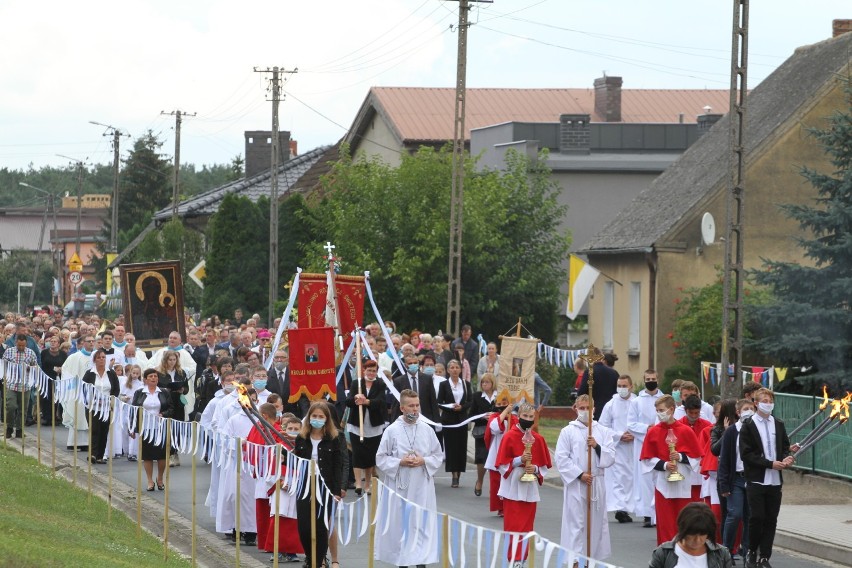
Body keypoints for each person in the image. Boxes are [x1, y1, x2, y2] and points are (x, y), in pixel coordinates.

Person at [375, 389, 444, 568]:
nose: (415, 410)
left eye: (417, 405)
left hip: (422, 486)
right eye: (411, 406)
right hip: (401, 486)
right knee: (402, 525)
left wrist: (423, 460)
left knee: (421, 524)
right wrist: (399, 462)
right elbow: (380, 458)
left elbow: (438, 455)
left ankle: (421, 562)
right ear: (402, 408)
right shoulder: (392, 431)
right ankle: (402, 562)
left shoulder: (427, 430)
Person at [555, 394, 616, 563]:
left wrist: (597, 446)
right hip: (577, 484)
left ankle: (591, 561)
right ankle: (575, 562)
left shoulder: (603, 431)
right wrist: (580, 474)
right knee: (576, 525)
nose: (585, 411)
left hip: (596, 482)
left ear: (594, 409)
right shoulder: (568, 431)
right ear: (575, 408)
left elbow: (611, 456)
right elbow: (561, 458)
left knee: (595, 526)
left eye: (588, 408)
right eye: (581, 408)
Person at [738, 388, 794, 568]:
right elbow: (746, 454)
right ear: (755, 402)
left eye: (770, 400)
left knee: (771, 519)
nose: (768, 403)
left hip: (775, 481)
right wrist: (769, 464)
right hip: (757, 479)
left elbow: (785, 447)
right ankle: (751, 551)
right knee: (757, 517)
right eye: (764, 400)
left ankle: (765, 557)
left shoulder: (778, 423)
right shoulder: (748, 425)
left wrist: (787, 457)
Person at [640, 394, 703, 545]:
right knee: (666, 524)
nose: (659, 413)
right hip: (663, 485)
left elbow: (697, 458)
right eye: (657, 410)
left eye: (661, 410)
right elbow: (646, 459)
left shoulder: (686, 431)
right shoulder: (653, 432)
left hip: (683, 485)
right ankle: (666, 555)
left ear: (672, 409)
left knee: (684, 522)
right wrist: (664, 465)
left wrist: (680, 457)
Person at [496, 401, 551, 566]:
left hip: (529, 486)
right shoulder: (509, 436)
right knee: (513, 525)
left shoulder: (538, 439)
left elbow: (544, 467)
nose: (528, 419)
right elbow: (501, 464)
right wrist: (519, 460)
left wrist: (534, 468)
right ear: (518, 416)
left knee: (527, 525)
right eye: (525, 416)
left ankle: (522, 559)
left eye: (531, 417)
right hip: (513, 486)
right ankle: (513, 559)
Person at [294, 401, 342, 568]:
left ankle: (319, 561)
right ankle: (311, 557)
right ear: (309, 417)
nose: (317, 419)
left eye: (321, 417)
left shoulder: (334, 439)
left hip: (325, 486)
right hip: (304, 485)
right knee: (304, 527)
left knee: (322, 527)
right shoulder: (301, 438)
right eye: (314, 416)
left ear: (327, 419)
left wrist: (337, 491)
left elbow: (338, 465)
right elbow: (296, 461)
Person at [718, 399, 754, 564]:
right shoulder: (732, 431)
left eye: (751, 409)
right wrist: (724, 484)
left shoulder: (756, 430)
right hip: (736, 479)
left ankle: (748, 552)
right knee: (735, 513)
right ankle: (726, 550)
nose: (749, 411)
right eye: (745, 409)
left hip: (752, 479)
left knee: (750, 517)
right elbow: (724, 459)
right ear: (738, 413)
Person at [627, 369, 665, 527]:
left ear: (658, 379)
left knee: (659, 477)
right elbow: (630, 424)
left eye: (653, 378)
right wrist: (647, 428)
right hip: (642, 444)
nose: (651, 381)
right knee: (644, 479)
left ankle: (659, 511)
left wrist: (657, 429)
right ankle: (647, 515)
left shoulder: (664, 399)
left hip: (660, 443)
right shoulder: (636, 401)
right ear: (644, 380)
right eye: (648, 379)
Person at [345, 359, 387, 496]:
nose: (371, 373)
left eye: (374, 371)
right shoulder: (357, 383)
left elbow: (381, 402)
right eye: (369, 370)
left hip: (373, 426)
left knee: (370, 455)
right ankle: (358, 483)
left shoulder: (380, 383)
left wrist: (367, 401)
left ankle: (368, 484)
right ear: (364, 370)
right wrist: (356, 398)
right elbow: (348, 402)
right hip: (357, 425)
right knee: (357, 453)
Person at [599, 374, 636, 523]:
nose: (621, 389)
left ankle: (637, 507)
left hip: (635, 446)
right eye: (619, 386)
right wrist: (619, 436)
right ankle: (621, 509)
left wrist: (634, 434)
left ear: (631, 387)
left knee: (634, 478)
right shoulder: (611, 404)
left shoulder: (637, 402)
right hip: (619, 447)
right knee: (620, 478)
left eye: (624, 386)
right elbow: (603, 426)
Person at [649, 502, 734, 568]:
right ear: (683, 529)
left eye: (702, 535)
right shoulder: (663, 553)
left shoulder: (721, 554)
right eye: (692, 534)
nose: (697, 540)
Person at [130, 368, 173, 491]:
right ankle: (149, 480)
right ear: (145, 379)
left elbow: (171, 409)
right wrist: (132, 427)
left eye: (155, 376)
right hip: (145, 427)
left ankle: (160, 478)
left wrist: (163, 414)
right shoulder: (139, 393)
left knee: (161, 456)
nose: (153, 378)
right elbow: (134, 410)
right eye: (150, 376)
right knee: (147, 455)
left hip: (160, 427)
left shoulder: (164, 392)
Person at [437, 359, 472, 487]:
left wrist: (462, 407)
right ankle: (454, 475)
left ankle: (460, 471)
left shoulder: (466, 384)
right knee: (451, 447)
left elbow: (470, 401)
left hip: (462, 419)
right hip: (449, 419)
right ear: (448, 370)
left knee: (461, 446)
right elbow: (439, 402)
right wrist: (451, 406)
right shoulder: (444, 385)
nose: (455, 370)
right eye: (452, 367)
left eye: (457, 367)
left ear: (460, 369)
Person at [81, 349, 120, 463]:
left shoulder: (111, 373)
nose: (102, 359)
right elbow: (84, 389)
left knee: (104, 430)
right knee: (94, 429)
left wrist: (110, 400)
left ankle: (100, 456)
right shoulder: (89, 373)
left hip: (107, 407)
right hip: (92, 406)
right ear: (94, 360)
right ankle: (92, 454)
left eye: (103, 357)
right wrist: (93, 399)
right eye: (99, 357)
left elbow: (116, 389)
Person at [60, 334, 95, 450]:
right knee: (78, 415)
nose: (91, 343)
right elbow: (65, 370)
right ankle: (74, 442)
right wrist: (74, 385)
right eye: (88, 341)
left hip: (92, 392)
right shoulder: (74, 357)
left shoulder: (97, 357)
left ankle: (89, 442)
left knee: (90, 416)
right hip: (78, 391)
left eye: (92, 341)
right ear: (83, 343)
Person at [2, 334, 39, 438]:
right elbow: (3, 366)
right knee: (11, 406)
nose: (21, 347)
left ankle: (19, 429)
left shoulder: (30, 353)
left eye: (23, 345)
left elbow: (35, 367)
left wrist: (30, 369)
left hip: (25, 385)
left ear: (26, 343)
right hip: (11, 384)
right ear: (16, 343)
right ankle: (9, 427)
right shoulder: (9, 352)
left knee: (23, 409)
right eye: (19, 345)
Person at [485, 395, 515, 517]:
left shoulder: (515, 418)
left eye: (505, 403)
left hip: (509, 453)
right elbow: (495, 428)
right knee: (496, 482)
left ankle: (509, 505)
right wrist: (505, 412)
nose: (501, 406)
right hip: (496, 453)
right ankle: (499, 507)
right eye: (499, 404)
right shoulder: (493, 417)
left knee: (509, 480)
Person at [392, 353, 440, 424]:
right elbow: (396, 404)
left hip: (426, 418)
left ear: (418, 364)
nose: (413, 365)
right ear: (405, 365)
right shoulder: (398, 381)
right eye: (410, 363)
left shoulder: (427, 379)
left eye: (415, 363)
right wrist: (394, 421)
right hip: (407, 419)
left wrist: (437, 420)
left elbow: (433, 401)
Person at [471, 372, 496, 497]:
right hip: (482, 431)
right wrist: (483, 417)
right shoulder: (477, 396)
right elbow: (471, 416)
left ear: (492, 384)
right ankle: (479, 480)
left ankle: (495, 486)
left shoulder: (500, 396)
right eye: (483, 382)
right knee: (481, 457)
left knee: (496, 459)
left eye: (487, 382)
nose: (484, 384)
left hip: (497, 432)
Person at [577, 348, 619, 420]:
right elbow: (617, 392)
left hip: (594, 410)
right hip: (611, 411)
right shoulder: (614, 373)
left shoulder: (589, 372)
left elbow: (582, 392)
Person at [40, 334, 67, 425]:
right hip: (46, 378)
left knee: (56, 398)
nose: (52, 343)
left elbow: (66, 365)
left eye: (54, 341)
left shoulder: (63, 354)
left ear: (59, 344)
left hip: (57, 378)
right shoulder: (44, 353)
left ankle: (54, 417)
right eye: (51, 341)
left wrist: (61, 369)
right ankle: (47, 417)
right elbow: (41, 364)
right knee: (46, 397)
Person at [120, 364, 144, 461]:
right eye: (133, 373)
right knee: (125, 429)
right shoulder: (125, 383)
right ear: (130, 373)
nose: (135, 375)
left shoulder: (141, 384)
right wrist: (125, 398)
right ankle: (126, 450)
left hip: (135, 409)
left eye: (137, 373)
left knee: (133, 429)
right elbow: (120, 395)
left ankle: (133, 452)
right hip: (126, 408)